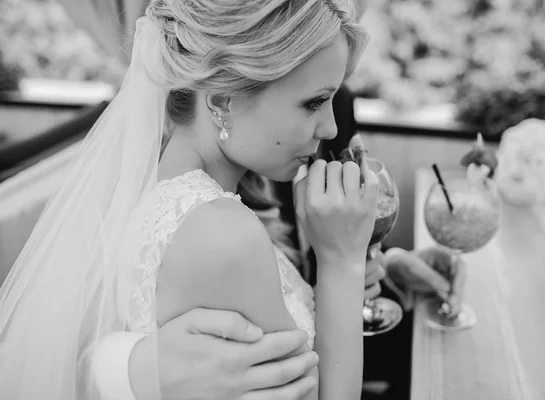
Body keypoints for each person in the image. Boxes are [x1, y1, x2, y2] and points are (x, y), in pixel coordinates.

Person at [0, 1, 382, 399]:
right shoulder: (223, 232)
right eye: (314, 103)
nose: (331, 127)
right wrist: (342, 264)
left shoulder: (158, 187)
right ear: (221, 102)